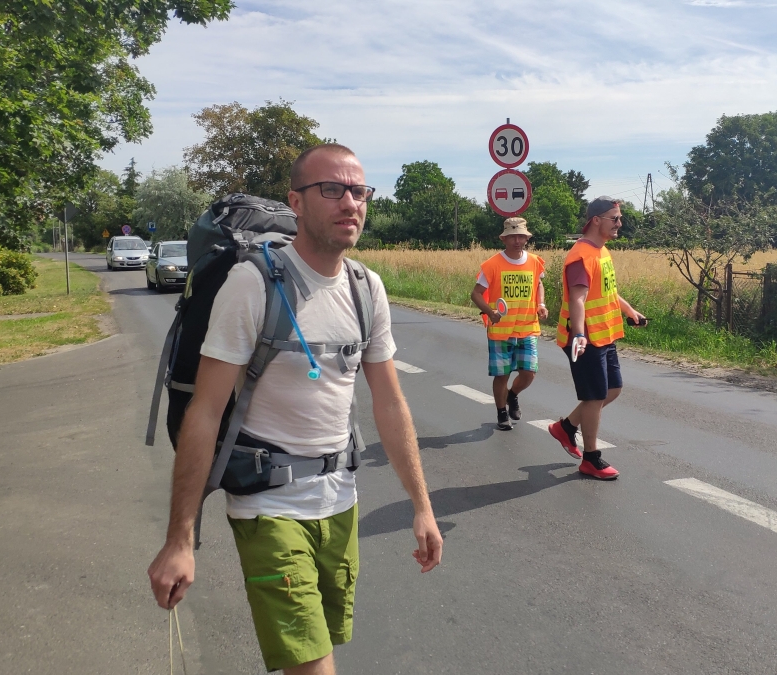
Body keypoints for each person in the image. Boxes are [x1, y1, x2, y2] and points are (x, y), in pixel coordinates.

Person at [148, 143, 443, 675]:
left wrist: (421, 506)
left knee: (318, 649)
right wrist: (179, 539)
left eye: (359, 191)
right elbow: (205, 412)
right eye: (332, 189)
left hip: (341, 501)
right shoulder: (252, 283)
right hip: (269, 508)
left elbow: (390, 402)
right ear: (297, 202)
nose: (349, 202)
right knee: (313, 666)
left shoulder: (366, 287)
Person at [547, 197, 647, 480]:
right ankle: (591, 458)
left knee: (612, 389)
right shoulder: (581, 256)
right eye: (614, 218)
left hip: (604, 335)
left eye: (619, 218)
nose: (619, 224)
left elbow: (607, 290)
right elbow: (577, 299)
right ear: (596, 220)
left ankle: (566, 427)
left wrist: (629, 311)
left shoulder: (601, 251)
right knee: (594, 397)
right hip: (586, 339)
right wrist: (579, 334)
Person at [470, 217, 548, 430]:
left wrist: (541, 304)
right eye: (512, 236)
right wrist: (490, 312)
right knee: (502, 375)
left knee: (529, 373)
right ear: (503, 239)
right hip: (501, 331)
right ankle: (501, 413)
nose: (517, 241)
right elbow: (476, 294)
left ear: (526, 238)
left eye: (521, 236)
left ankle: (512, 395)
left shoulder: (535, 261)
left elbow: (538, 284)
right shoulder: (492, 264)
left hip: (527, 327)